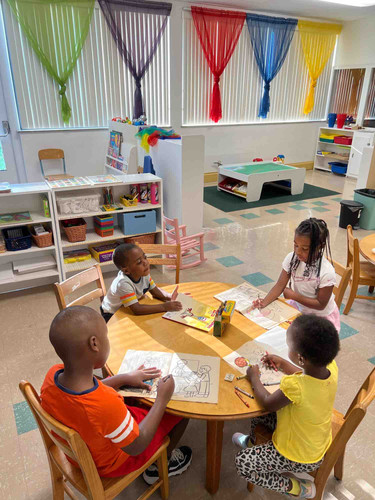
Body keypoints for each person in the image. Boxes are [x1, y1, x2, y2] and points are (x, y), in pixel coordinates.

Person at [41, 306, 192, 485]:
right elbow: (137, 445)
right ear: (94, 344)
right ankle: (159, 466)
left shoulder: (53, 375)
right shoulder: (105, 404)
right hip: (115, 461)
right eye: (107, 336)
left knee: (130, 393)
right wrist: (161, 400)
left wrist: (124, 378)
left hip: (83, 449)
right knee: (180, 410)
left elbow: (90, 395)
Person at [232, 314, 340, 498]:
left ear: (301, 358)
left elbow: (268, 402)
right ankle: (252, 441)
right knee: (258, 413)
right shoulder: (331, 367)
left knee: (242, 463)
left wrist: (254, 377)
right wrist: (283, 364)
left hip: (298, 455)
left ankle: (296, 488)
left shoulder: (296, 387)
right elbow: (304, 372)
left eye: (289, 346)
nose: (287, 348)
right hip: (315, 440)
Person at [253, 217, 340, 332]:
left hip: (320, 317)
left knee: (306, 346)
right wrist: (264, 302)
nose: (298, 252)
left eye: (305, 248)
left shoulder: (327, 272)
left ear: (320, 246)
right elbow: (280, 285)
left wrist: (294, 296)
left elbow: (320, 304)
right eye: (296, 245)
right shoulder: (292, 258)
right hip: (300, 309)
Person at [101, 243, 182, 322]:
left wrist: (169, 296)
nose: (145, 262)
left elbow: (155, 291)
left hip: (127, 307)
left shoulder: (143, 273)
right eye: (139, 262)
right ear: (126, 270)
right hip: (111, 314)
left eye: (145, 257)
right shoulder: (123, 283)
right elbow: (137, 309)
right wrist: (164, 307)